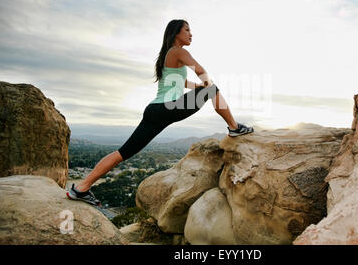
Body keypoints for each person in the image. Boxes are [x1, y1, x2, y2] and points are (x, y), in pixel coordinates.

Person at [66, 19, 254, 206]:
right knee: (213, 90)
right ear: (176, 33)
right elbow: (201, 70)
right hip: (168, 108)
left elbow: (179, 83)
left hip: (154, 110)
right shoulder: (179, 51)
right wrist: (208, 85)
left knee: (122, 152)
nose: (191, 34)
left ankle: (81, 188)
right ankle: (234, 127)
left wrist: (198, 86)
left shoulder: (168, 55)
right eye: (187, 30)